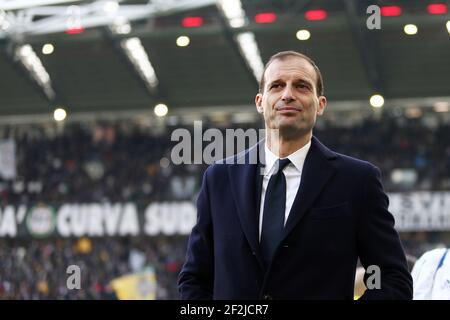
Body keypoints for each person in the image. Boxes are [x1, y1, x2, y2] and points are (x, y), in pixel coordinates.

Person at [178, 51, 413, 299]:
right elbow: (195, 278)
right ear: (260, 102)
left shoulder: (357, 180)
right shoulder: (219, 178)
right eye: (277, 86)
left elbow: (391, 277)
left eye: (301, 86)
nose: (287, 94)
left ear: (320, 104)